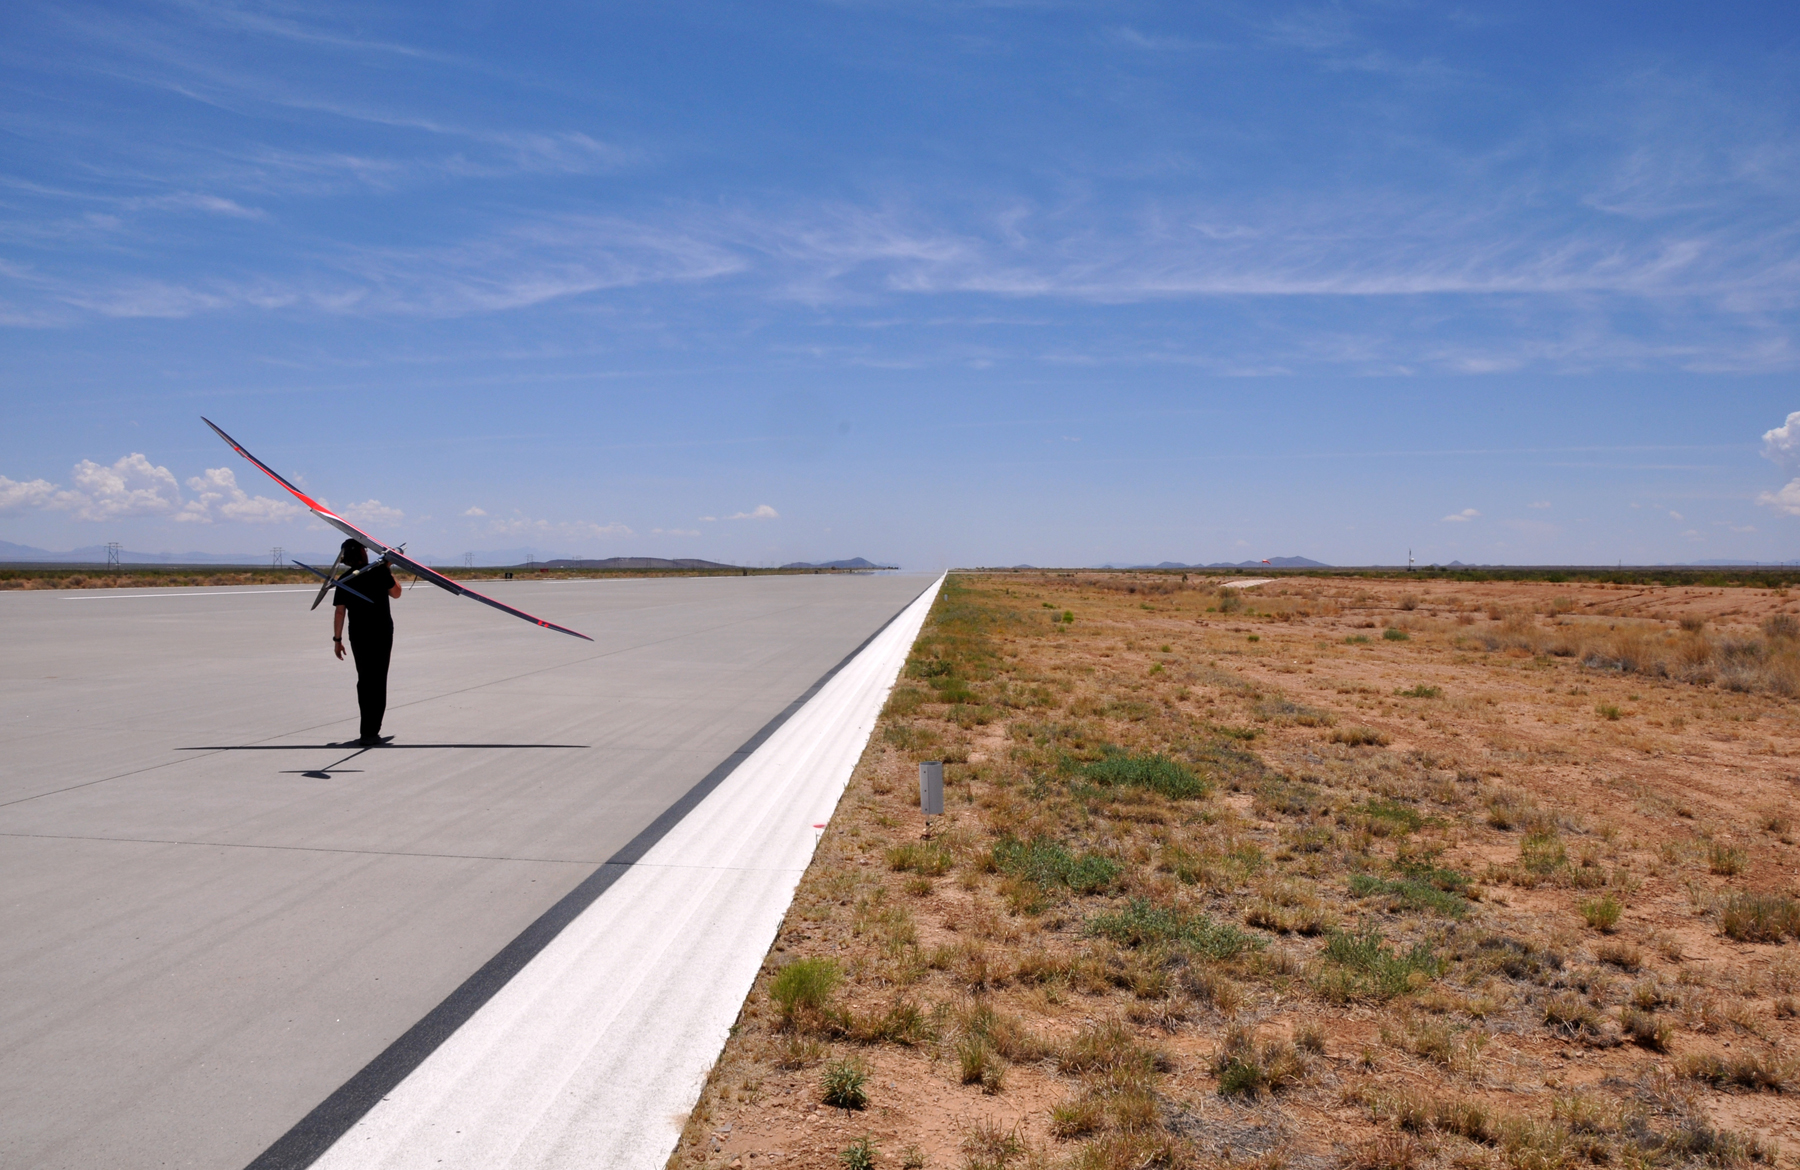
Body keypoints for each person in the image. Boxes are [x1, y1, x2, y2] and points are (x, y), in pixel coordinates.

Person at [331, 538, 402, 746]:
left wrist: (337, 639)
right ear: (363, 553)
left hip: (358, 635)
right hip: (381, 633)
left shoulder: (344, 579)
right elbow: (397, 593)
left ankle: (367, 730)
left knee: (365, 680)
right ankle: (371, 731)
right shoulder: (379, 572)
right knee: (377, 681)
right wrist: (388, 569)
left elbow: (340, 612)